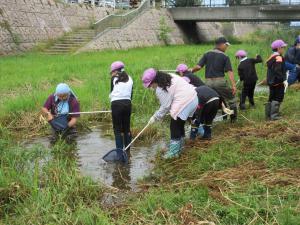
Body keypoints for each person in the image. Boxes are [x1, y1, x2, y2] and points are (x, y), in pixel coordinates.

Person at [142, 69, 198, 159]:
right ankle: (180, 147)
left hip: (184, 102)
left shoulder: (160, 88)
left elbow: (165, 107)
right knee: (180, 124)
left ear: (154, 81)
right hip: (193, 98)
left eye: (150, 85)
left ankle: (173, 153)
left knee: (174, 126)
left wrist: (155, 117)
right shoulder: (169, 76)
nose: (150, 87)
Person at [191, 37, 237, 122]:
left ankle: (207, 120)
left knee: (214, 99)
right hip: (219, 81)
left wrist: (191, 71)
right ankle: (233, 119)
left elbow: (198, 67)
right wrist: (234, 85)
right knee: (231, 99)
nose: (227, 47)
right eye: (226, 45)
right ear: (221, 45)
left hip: (208, 82)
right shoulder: (225, 56)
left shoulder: (207, 53)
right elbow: (229, 71)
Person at [109, 61, 133, 150]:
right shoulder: (130, 78)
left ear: (115, 71)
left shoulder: (114, 79)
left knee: (117, 129)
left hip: (116, 105)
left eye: (112, 72)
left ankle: (119, 152)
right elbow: (131, 95)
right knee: (127, 128)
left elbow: (112, 93)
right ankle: (127, 151)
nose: (111, 74)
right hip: (128, 104)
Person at [265, 39, 288, 121]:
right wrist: (283, 80)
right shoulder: (279, 58)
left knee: (271, 97)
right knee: (278, 97)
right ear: (278, 48)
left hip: (271, 82)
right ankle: (274, 116)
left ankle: (268, 115)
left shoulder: (271, 57)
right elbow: (278, 70)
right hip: (278, 82)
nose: (284, 49)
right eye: (283, 48)